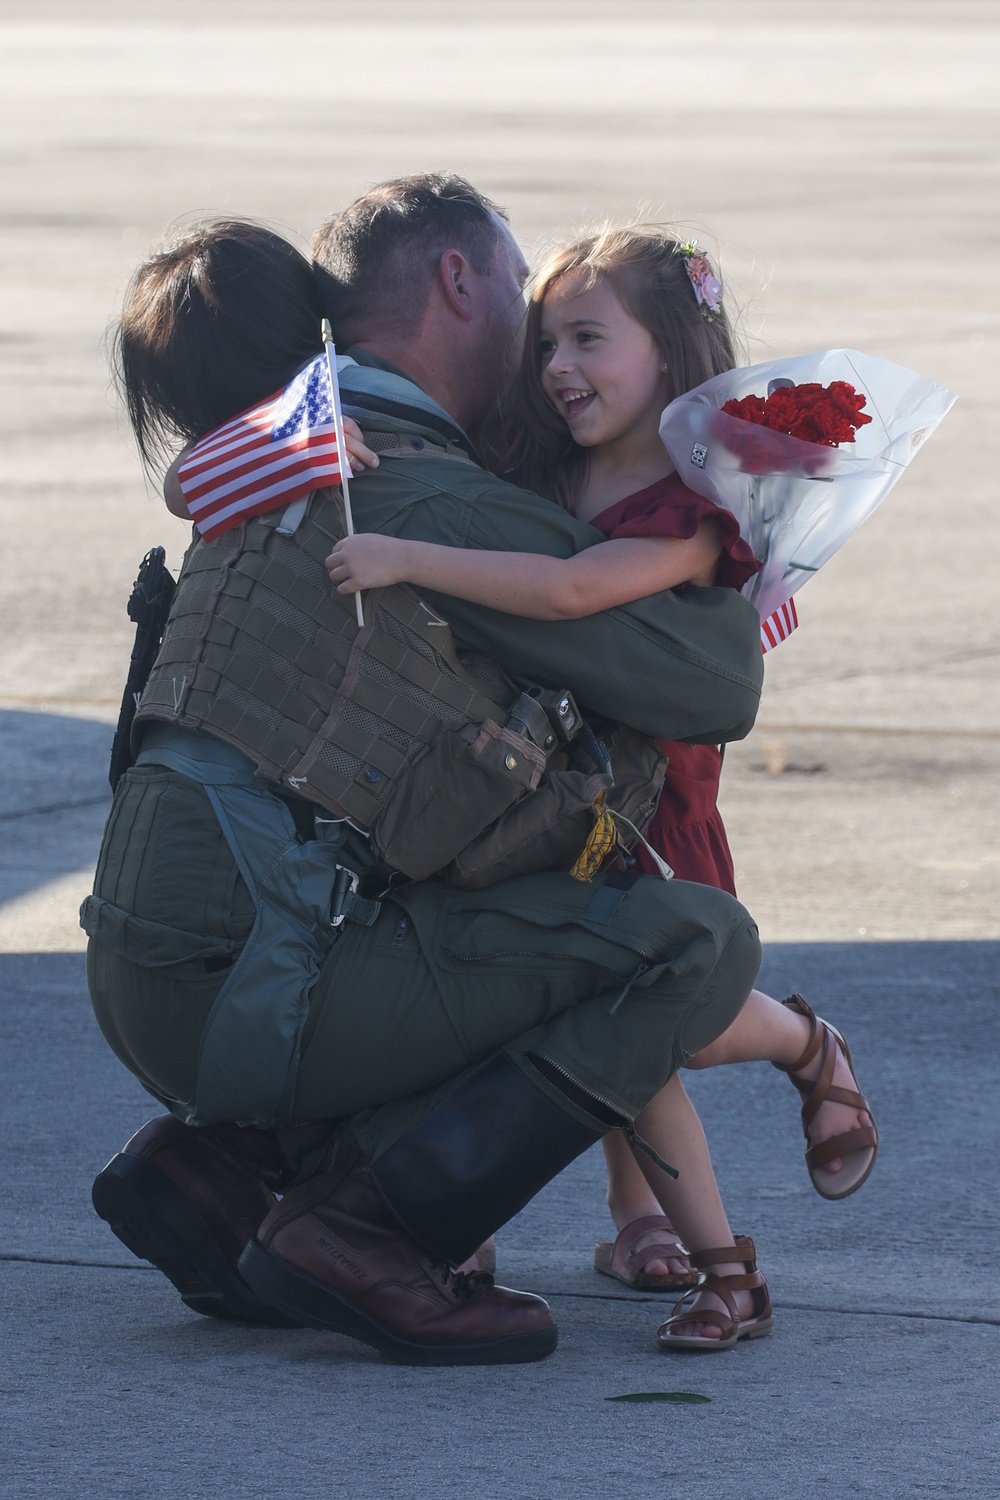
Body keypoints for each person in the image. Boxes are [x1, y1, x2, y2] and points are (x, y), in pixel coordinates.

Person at [85, 178, 765, 1366]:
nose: (541, 344)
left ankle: (239, 1171)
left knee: (434, 863)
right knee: (692, 943)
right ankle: (370, 1229)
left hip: (137, 968)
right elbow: (716, 690)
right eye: (526, 299)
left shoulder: (268, 453)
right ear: (462, 283)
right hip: (260, 985)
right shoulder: (434, 497)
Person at [324, 225, 878, 1349]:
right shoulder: (542, 460)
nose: (559, 366)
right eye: (545, 343)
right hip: (542, 781)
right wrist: (353, 448)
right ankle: (664, 1234)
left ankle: (801, 1049)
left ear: (668, 355)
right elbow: (465, 490)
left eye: (588, 339)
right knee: (604, 1008)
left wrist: (407, 558)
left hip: (645, 794)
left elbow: (575, 592)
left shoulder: (695, 507)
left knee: (655, 1021)